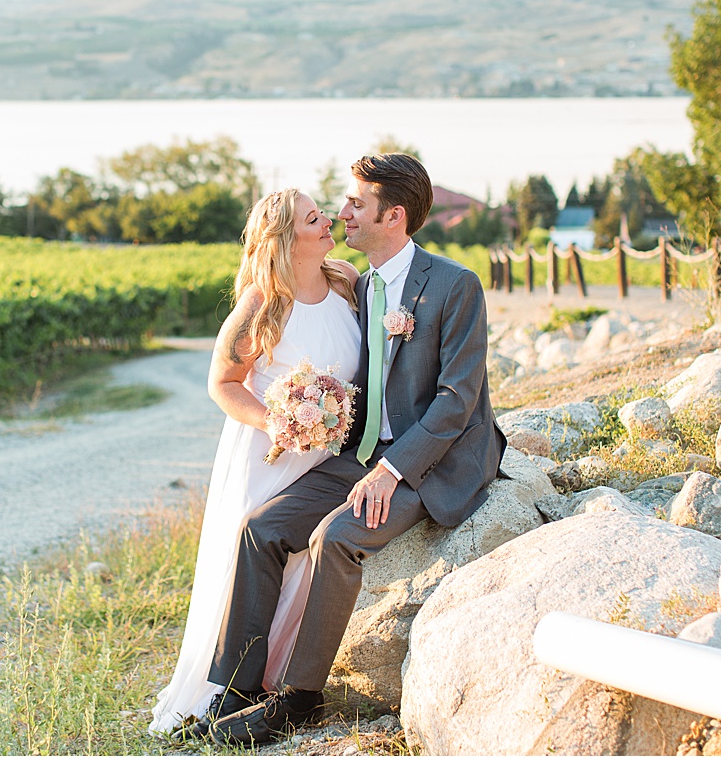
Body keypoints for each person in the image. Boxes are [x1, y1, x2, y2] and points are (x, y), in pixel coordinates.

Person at [206, 152, 508, 747]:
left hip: (434, 460)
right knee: (261, 528)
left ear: (392, 217)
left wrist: (392, 471)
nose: (342, 212)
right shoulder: (357, 285)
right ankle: (237, 690)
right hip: (363, 450)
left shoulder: (455, 285)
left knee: (336, 538)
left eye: (355, 205)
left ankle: (298, 699)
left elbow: (457, 400)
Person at [148, 187, 361, 738]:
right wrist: (277, 421)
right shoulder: (264, 302)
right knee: (249, 555)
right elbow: (222, 383)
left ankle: (274, 682)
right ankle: (227, 691)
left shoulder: (346, 284)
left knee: (301, 566)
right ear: (287, 240)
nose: (328, 223)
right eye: (314, 220)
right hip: (268, 457)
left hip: (328, 457)